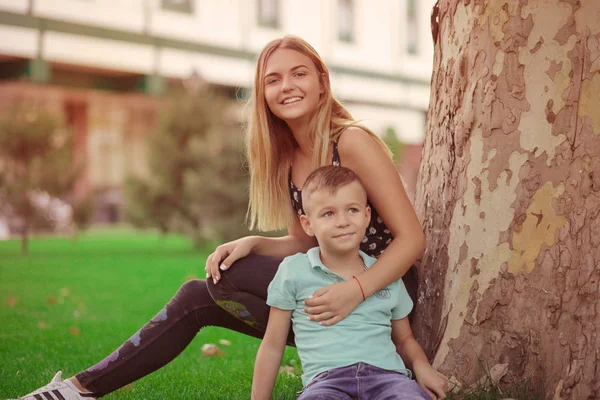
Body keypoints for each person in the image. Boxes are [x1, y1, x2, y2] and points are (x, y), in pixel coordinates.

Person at [12, 35, 426, 400]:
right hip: (327, 288)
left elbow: (411, 239)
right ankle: (79, 390)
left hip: (383, 288)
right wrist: (253, 243)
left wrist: (355, 289)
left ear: (322, 81)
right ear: (262, 93)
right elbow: (306, 244)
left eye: (299, 74)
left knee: (224, 279)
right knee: (200, 294)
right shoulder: (285, 160)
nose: (287, 86)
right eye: (273, 79)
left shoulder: (352, 142)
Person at [252, 166, 447, 400]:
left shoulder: (383, 273)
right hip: (326, 383)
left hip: (389, 379)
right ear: (307, 224)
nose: (342, 222)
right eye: (328, 214)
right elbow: (273, 345)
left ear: (366, 216)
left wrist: (422, 366)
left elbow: (404, 340)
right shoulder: (293, 271)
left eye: (352, 210)